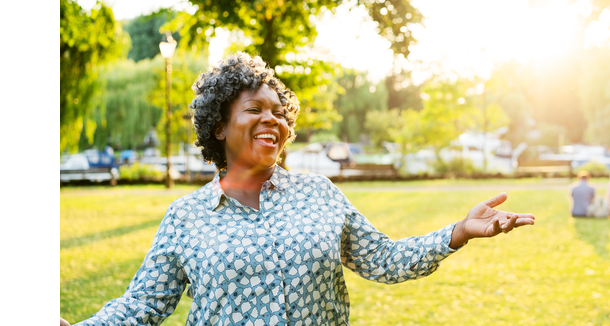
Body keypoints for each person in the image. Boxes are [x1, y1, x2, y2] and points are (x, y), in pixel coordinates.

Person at [61, 53, 535, 326]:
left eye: (279, 112)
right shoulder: (187, 218)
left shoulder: (319, 194)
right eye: (254, 110)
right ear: (220, 127)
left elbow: (385, 261)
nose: (273, 120)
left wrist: (458, 232)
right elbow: (144, 305)